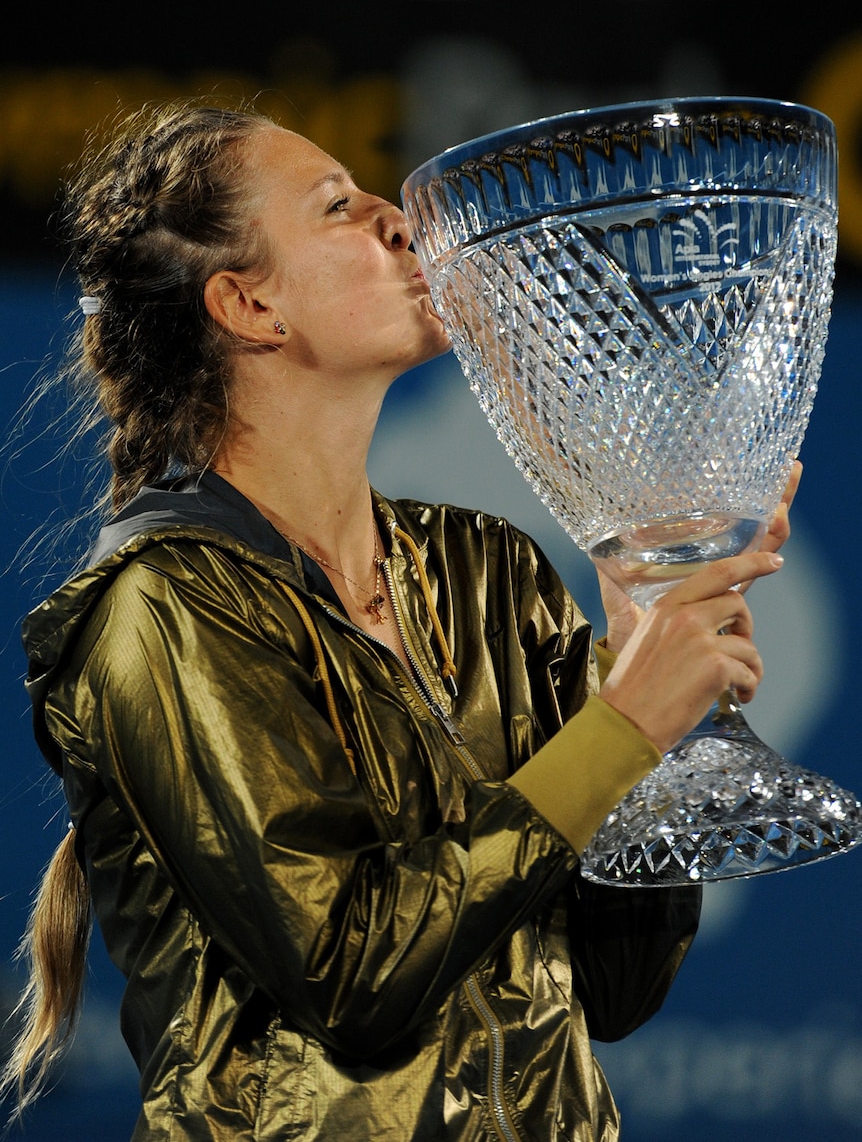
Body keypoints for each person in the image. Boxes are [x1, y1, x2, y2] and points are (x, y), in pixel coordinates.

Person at [2, 101, 796, 1142]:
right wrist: (621, 729)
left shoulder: (488, 570)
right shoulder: (159, 609)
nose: (400, 218)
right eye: (340, 206)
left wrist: (648, 692)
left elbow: (615, 985)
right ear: (248, 306)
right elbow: (355, 976)